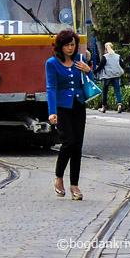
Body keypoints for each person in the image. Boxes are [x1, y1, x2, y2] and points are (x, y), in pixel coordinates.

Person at [46, 28, 92, 200]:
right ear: (60, 46)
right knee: (68, 142)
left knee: (77, 146)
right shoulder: (51, 63)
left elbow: (88, 82)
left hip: (78, 106)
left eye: (72, 45)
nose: (70, 48)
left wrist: (88, 70)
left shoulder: (80, 60)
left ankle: (74, 185)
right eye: (67, 45)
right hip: (62, 107)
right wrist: (52, 112)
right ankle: (59, 177)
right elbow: (51, 88)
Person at [98, 43, 125, 113]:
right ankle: (119, 105)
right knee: (117, 91)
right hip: (116, 75)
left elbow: (100, 66)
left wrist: (94, 71)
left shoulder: (105, 57)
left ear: (105, 48)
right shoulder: (117, 56)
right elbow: (123, 65)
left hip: (107, 76)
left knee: (105, 91)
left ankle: (104, 107)